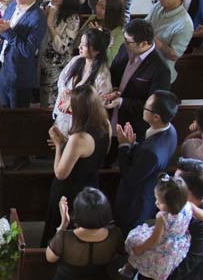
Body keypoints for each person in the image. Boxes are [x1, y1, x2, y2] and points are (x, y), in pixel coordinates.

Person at [42, 85, 112, 244]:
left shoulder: (79, 138)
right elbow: (97, 153)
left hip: (70, 189)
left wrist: (60, 144)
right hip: (91, 183)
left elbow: (60, 173)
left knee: (62, 229)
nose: (68, 107)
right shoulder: (105, 124)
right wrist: (68, 144)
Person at [113, 89, 179, 231]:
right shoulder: (170, 129)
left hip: (136, 201)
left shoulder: (152, 152)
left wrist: (124, 145)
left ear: (156, 117)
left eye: (146, 107)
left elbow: (129, 177)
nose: (143, 109)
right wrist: (134, 145)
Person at [124, 175, 196, 280]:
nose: (156, 203)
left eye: (159, 201)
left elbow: (154, 240)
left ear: (171, 203)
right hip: (179, 244)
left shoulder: (162, 216)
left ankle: (129, 267)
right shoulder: (188, 206)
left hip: (164, 246)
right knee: (162, 278)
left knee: (134, 243)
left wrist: (140, 248)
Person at [106, 20, 171, 139]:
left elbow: (154, 107)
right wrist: (114, 89)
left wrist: (122, 102)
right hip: (110, 118)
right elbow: (114, 72)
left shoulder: (160, 69)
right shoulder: (124, 48)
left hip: (131, 127)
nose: (124, 43)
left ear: (143, 43)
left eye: (128, 41)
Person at [0, 0, 46, 108]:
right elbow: (3, 33)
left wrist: (7, 32)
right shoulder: (12, 6)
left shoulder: (38, 17)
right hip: (3, 68)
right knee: (2, 112)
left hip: (19, 76)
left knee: (16, 121)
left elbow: (28, 50)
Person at [52, 28, 113, 132]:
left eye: (84, 45)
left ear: (96, 50)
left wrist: (74, 102)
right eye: (80, 42)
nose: (79, 47)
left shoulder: (102, 74)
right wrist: (63, 90)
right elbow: (62, 79)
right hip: (64, 115)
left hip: (83, 123)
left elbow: (101, 102)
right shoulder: (76, 60)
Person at [38, 0, 85, 111]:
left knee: (54, 107)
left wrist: (50, 24)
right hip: (43, 64)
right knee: (42, 105)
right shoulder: (46, 8)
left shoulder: (72, 18)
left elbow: (62, 48)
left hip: (57, 69)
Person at [149, 0, 195, 82]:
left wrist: (156, 42)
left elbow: (174, 55)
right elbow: (146, 22)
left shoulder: (185, 24)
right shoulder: (159, 6)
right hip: (146, 65)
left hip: (161, 74)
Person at [85, 0, 127, 65]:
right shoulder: (93, 19)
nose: (98, 9)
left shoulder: (119, 33)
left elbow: (110, 61)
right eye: (98, 5)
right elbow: (77, 41)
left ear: (113, 11)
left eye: (103, 8)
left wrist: (100, 38)